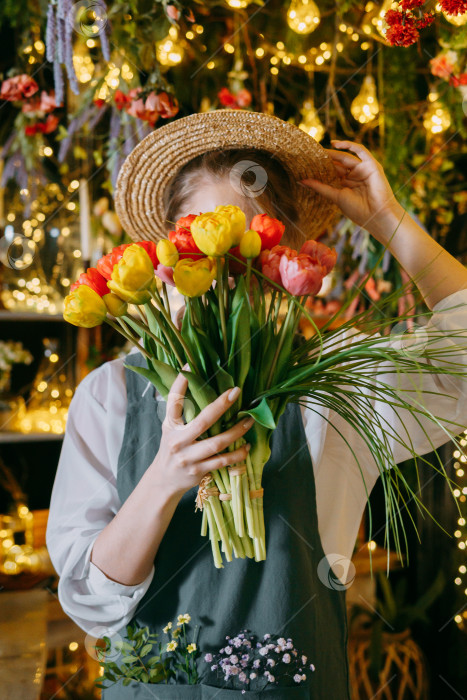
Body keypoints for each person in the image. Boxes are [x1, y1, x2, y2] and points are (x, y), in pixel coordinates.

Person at [46, 110, 467, 698]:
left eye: (253, 242)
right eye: (202, 239)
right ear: (166, 255)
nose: (228, 270)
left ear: (286, 257)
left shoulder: (336, 384)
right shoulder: (109, 394)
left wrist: (388, 222)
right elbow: (92, 603)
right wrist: (165, 479)